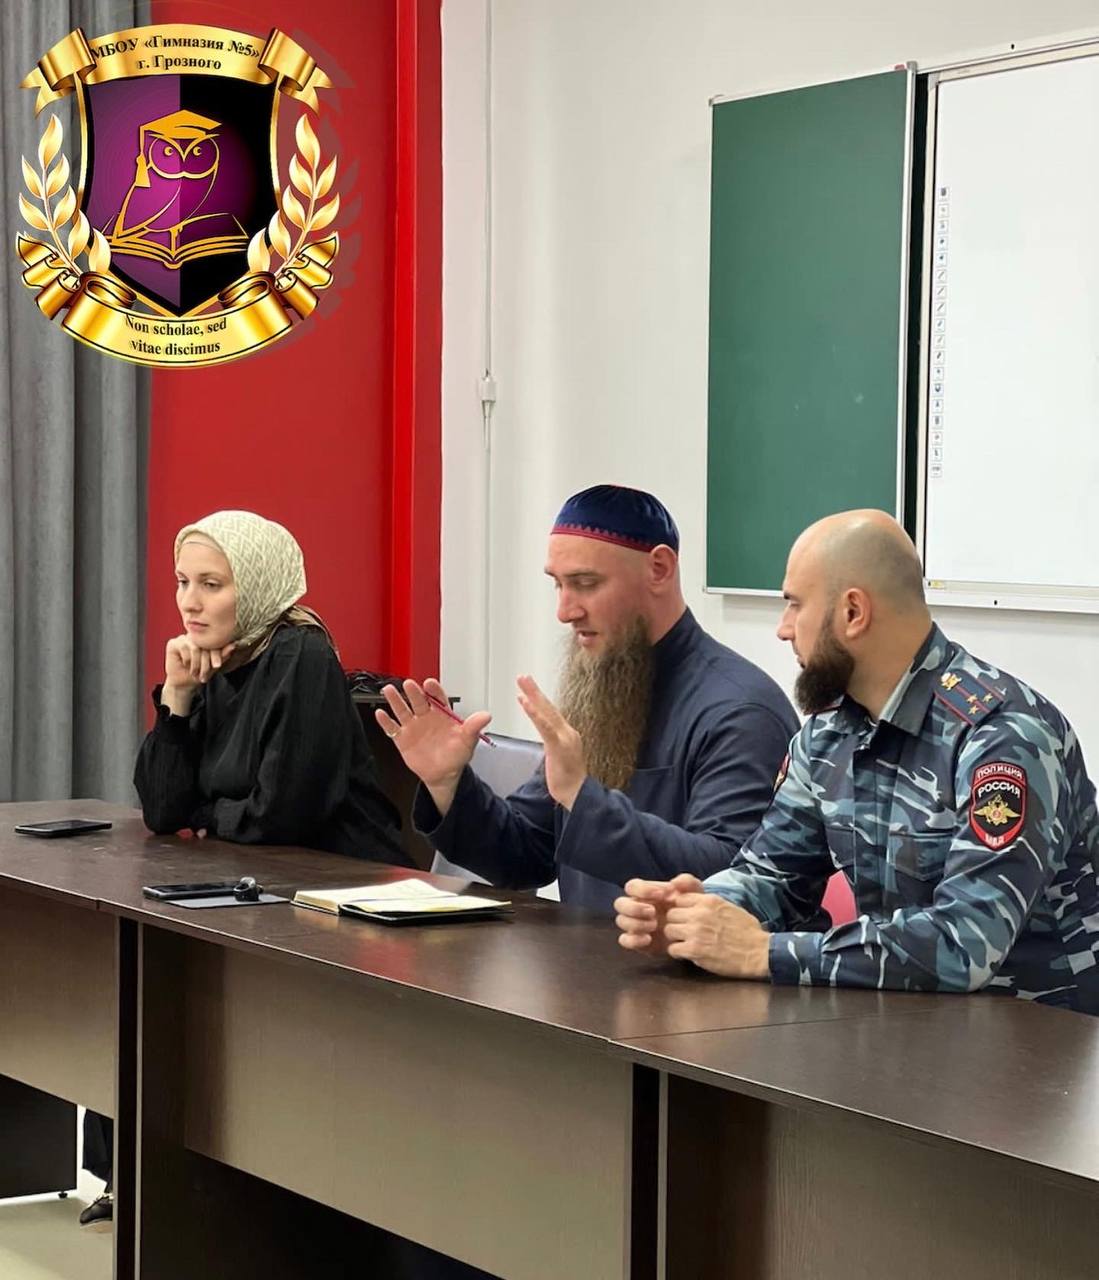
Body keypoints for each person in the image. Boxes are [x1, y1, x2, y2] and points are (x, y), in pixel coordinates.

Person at [615, 509, 1099, 1015]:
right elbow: (775, 876)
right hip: (909, 1023)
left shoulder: (1002, 737)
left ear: (853, 612)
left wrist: (763, 953)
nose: (783, 629)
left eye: (794, 604)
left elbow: (964, 945)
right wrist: (695, 913)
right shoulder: (828, 735)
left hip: (1041, 1038)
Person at [81, 510, 407, 1229]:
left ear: (255, 586)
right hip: (255, 888)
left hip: (343, 895)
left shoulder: (300, 654)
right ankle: (143, 1176)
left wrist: (211, 813)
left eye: (211, 584)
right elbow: (164, 808)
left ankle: (225, 1197)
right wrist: (176, 699)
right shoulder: (215, 660)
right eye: (182, 582)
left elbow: (279, 816)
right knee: (136, 975)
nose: (190, 603)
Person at [378, 484, 799, 912]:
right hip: (588, 953)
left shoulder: (741, 712)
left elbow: (730, 880)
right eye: (558, 585)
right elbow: (525, 853)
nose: (565, 611)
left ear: (659, 569)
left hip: (683, 958)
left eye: (585, 584)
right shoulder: (605, 686)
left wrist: (583, 799)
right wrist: (448, 784)